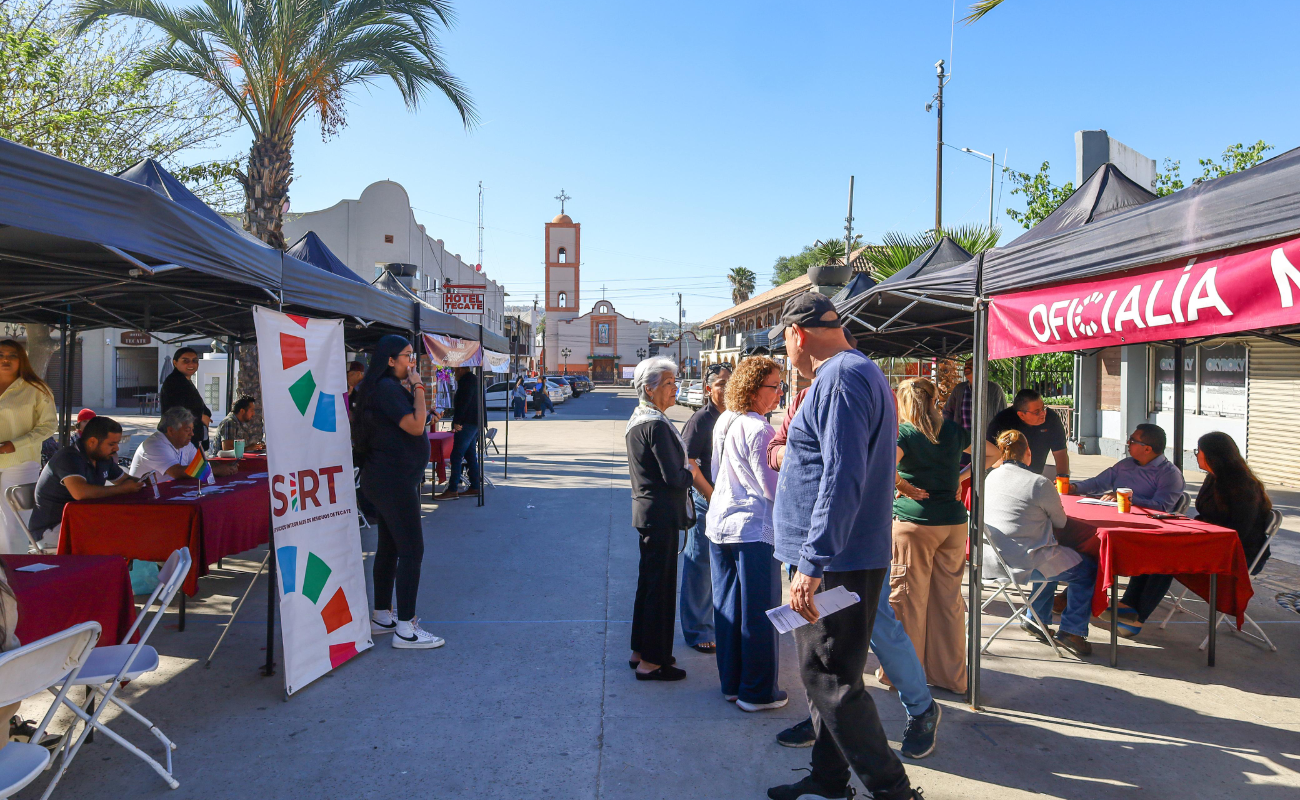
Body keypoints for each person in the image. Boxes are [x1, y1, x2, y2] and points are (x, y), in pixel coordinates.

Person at [767, 294, 919, 800]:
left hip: (835, 561)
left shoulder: (841, 376)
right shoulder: (855, 373)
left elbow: (843, 473)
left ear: (796, 334)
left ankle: (894, 791)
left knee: (831, 681)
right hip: (841, 556)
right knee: (833, 678)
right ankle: (829, 780)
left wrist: (812, 563)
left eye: (783, 341)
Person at [1102, 431, 1273, 639]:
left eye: (1198, 451)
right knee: (1155, 549)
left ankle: (1137, 617)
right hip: (1208, 538)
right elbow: (1207, 516)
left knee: (1168, 559)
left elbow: (1238, 531)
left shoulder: (1243, 487)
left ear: (1212, 456)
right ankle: (1127, 606)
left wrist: (1198, 532)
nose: (1196, 455)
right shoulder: (1213, 478)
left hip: (1235, 550)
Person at [352, 335, 444, 649]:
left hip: (387, 479)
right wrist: (419, 386)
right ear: (390, 360)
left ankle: (381, 615)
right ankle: (406, 629)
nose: (411, 362)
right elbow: (416, 426)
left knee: (391, 547)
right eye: (406, 356)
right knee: (412, 551)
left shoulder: (381, 388)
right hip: (393, 482)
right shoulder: (388, 388)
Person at [706, 356, 784, 710]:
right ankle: (757, 692)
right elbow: (771, 487)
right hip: (752, 529)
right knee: (759, 611)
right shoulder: (760, 428)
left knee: (728, 608)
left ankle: (732, 684)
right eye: (774, 386)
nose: (779, 394)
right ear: (753, 389)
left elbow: (716, 469)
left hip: (721, 523)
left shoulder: (725, 419)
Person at [890, 377, 972, 694]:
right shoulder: (952, 430)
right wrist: (960, 478)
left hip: (916, 523)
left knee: (909, 601)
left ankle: (905, 678)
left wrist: (902, 486)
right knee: (949, 602)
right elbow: (992, 452)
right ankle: (951, 677)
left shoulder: (905, 433)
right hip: (953, 523)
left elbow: (882, 464)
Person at [984, 430, 1096, 657]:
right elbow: (1061, 522)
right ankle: (1072, 631)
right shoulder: (1039, 482)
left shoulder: (990, 477)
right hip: (1025, 563)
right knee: (1087, 567)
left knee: (1048, 554)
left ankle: (1036, 619)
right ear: (1028, 453)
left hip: (991, 561)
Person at [624, 357, 693, 682]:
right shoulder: (656, 425)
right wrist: (692, 471)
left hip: (649, 512)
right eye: (668, 383)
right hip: (661, 514)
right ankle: (652, 660)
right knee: (660, 589)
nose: (674, 387)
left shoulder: (641, 419)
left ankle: (642, 650)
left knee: (649, 585)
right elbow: (675, 478)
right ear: (649, 388)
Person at [28, 416, 143, 547]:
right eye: (111, 444)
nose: (116, 448)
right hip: (52, 529)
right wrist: (121, 489)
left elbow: (125, 480)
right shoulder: (68, 458)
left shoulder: (102, 457)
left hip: (83, 520)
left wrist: (144, 481)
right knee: (116, 535)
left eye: (117, 443)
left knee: (129, 527)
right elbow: (80, 493)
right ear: (92, 442)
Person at [679, 364, 728, 656]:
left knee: (721, 566)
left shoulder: (734, 417)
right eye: (720, 383)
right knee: (699, 565)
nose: (725, 388)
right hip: (706, 501)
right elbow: (688, 461)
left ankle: (717, 623)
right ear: (708, 389)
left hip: (729, 504)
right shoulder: (701, 420)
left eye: (729, 382)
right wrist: (710, 495)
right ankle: (698, 630)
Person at [0, 340, 57, 554]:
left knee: (13, 522)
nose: (5, 359)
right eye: (1, 354)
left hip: (20, 462)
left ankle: (12, 575)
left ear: (21, 359)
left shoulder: (36, 389)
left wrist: (14, 445)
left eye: (12, 355)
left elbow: (49, 426)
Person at [1067, 423, 1183, 511]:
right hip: (1113, 513)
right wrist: (1074, 487)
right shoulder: (1126, 464)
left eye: (1132, 441)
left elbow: (1162, 507)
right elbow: (1098, 483)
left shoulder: (1170, 474)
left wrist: (1126, 499)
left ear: (1147, 449)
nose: (1128, 442)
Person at [130, 407, 235, 482]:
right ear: (171, 431)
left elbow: (200, 465)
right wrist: (215, 470)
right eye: (187, 430)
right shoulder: (155, 445)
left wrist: (225, 467)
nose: (192, 434)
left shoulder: (184, 443)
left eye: (192, 430)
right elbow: (177, 472)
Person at [985, 388, 1069, 478]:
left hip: (1035, 475)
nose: (1043, 414)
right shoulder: (1002, 421)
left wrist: (1063, 478)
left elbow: (1060, 453)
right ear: (1021, 415)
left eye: (1043, 408)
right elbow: (990, 457)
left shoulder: (1051, 418)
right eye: (1036, 412)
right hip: (1003, 476)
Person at [437, 366, 481, 500]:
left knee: (456, 455)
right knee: (470, 455)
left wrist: (458, 422)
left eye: (455, 371)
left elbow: (464, 403)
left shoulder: (467, 381)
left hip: (467, 423)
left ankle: (453, 489)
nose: (454, 374)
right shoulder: (473, 380)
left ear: (461, 370)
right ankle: (474, 486)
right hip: (474, 422)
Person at [158, 347, 211, 451]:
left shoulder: (185, 381)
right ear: (175, 362)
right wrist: (201, 416)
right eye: (185, 361)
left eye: (195, 361)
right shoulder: (174, 382)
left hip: (190, 437)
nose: (191, 364)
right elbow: (177, 410)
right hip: (180, 438)